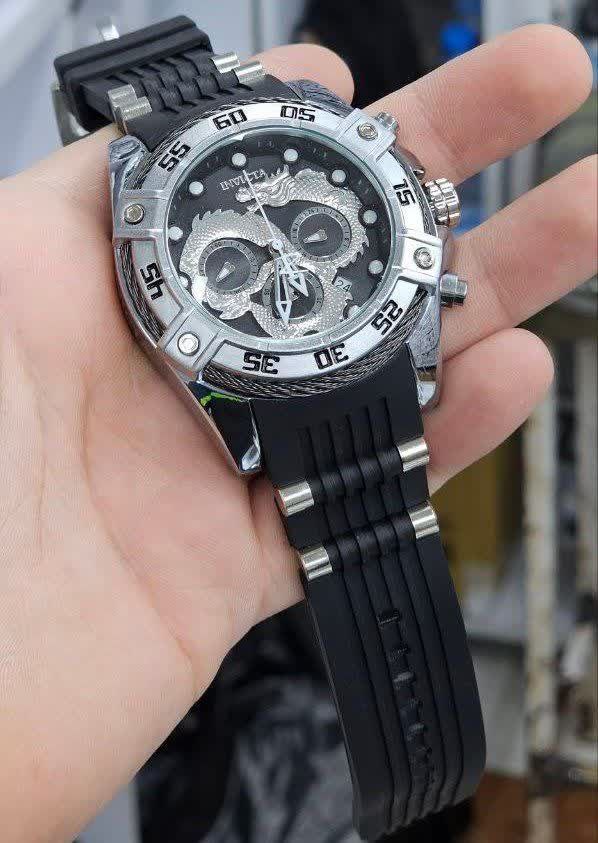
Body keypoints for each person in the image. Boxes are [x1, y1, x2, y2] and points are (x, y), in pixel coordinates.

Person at [0, 24, 595, 843]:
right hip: (271, 397)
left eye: (317, 234)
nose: (285, 265)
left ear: (424, 211)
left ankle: (430, 786)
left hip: (367, 369)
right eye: (232, 265)